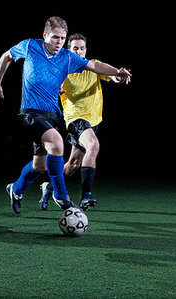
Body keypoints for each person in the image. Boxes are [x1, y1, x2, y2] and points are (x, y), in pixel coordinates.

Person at [0, 17, 131, 214]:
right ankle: (61, 195)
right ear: (45, 35)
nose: (59, 42)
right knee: (57, 144)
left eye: (62, 38)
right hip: (30, 113)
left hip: (51, 116)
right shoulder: (30, 46)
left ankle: (16, 189)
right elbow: (6, 56)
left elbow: (94, 66)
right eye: (55, 37)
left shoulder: (67, 57)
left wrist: (117, 71)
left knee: (39, 166)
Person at [39, 33, 131, 211]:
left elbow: (112, 77)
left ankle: (49, 186)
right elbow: (49, 85)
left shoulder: (93, 66)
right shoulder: (63, 69)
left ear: (86, 50)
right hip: (75, 119)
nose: (79, 52)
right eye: (75, 48)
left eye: (82, 48)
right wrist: (54, 89)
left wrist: (118, 76)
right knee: (93, 146)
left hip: (93, 121)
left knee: (72, 165)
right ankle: (86, 195)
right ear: (68, 50)